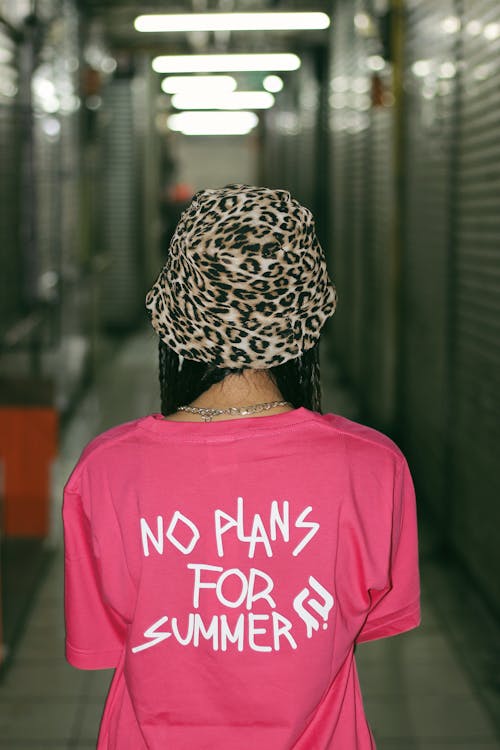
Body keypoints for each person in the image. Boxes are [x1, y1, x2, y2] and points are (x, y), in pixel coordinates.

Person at [63, 184, 420, 749]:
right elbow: (369, 623)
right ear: (309, 317)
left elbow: (103, 642)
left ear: (174, 314)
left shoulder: (106, 469)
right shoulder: (375, 467)